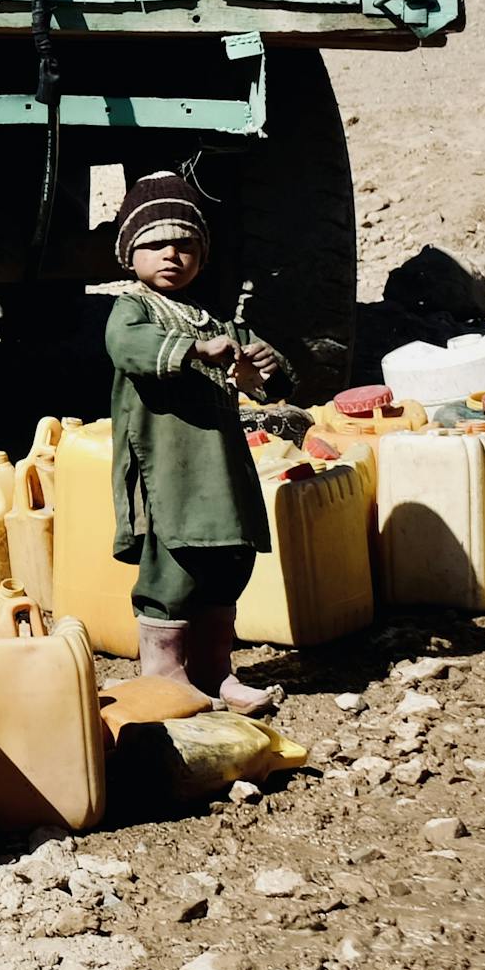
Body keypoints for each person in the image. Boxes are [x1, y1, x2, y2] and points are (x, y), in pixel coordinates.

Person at [103, 171, 283, 710]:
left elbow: (267, 379)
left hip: (221, 471)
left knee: (228, 559)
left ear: (202, 258)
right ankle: (165, 674)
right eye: (155, 244)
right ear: (129, 254)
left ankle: (215, 671)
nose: (171, 255)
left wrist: (268, 365)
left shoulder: (215, 320)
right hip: (167, 467)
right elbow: (127, 346)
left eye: (185, 245)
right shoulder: (133, 309)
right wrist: (194, 351)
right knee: (175, 562)